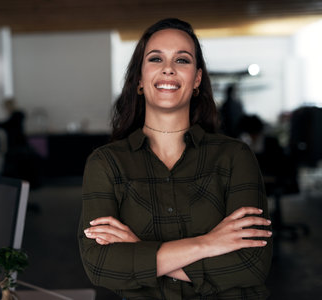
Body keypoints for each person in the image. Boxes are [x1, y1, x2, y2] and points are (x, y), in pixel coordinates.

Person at [78, 18, 272, 299]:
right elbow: (101, 265)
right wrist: (208, 243)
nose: (168, 68)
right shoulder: (106, 163)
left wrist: (140, 252)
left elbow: (252, 264)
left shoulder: (234, 156)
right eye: (156, 58)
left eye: (182, 60)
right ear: (140, 81)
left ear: (196, 80)